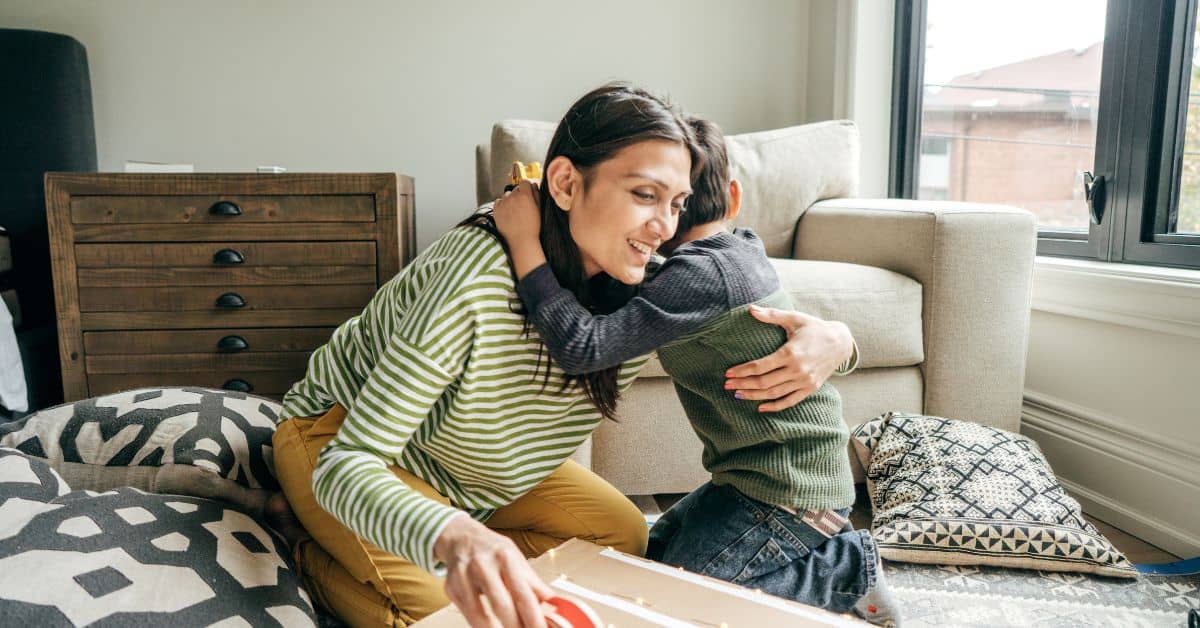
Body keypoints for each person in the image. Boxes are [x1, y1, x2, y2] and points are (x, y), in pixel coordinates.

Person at [264, 82, 859, 628]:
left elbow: (752, 314)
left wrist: (837, 338)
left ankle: (405, 546)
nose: (663, 227)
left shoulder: (649, 285)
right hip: (339, 445)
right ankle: (307, 550)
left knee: (625, 541)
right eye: (643, 195)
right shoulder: (472, 280)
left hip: (469, 471)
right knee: (460, 619)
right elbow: (351, 464)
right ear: (567, 183)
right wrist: (451, 536)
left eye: (676, 203)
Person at [492, 116, 898, 626]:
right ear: (733, 198)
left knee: (672, 601)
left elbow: (583, 345)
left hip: (789, 494)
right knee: (648, 558)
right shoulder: (731, 252)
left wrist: (522, 238)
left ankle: (844, 571)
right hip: (753, 480)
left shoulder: (698, 276)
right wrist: (839, 337)